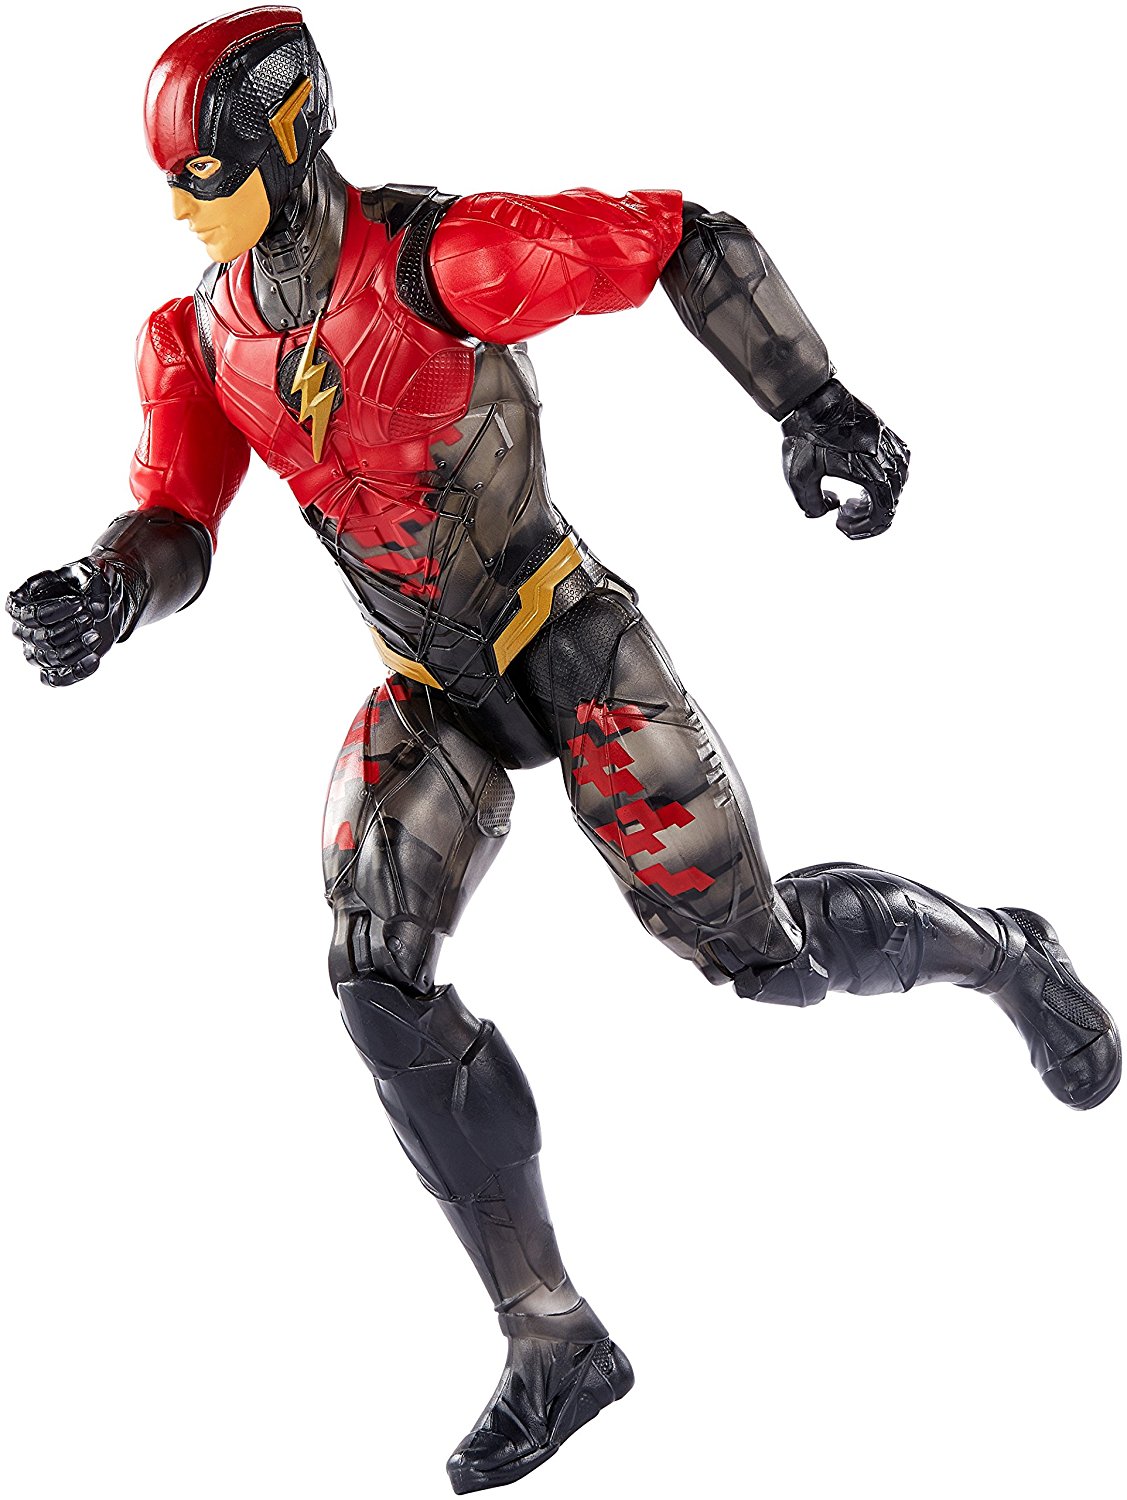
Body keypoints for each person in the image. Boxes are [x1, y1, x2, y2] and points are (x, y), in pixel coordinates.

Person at [7, 7, 1120, 1492]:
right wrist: (109, 590)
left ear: (285, 138)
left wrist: (816, 403)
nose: (180, 206)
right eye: (171, 181)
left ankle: (1004, 952)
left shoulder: (443, 261)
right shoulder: (199, 337)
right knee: (374, 975)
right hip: (433, 690)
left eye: (204, 173)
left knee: (765, 957)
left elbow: (680, 238)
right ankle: (551, 1336)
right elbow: (175, 519)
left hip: (566, 640)